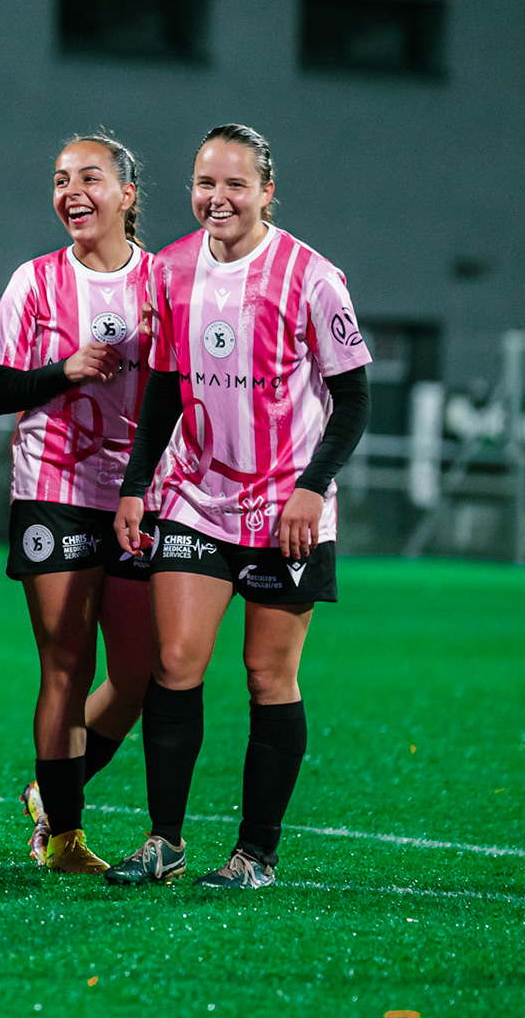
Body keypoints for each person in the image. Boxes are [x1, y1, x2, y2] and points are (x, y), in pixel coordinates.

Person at [108, 123, 371, 890]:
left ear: (266, 190)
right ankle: (164, 842)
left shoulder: (313, 277)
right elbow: (163, 386)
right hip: (195, 496)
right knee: (175, 662)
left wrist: (312, 490)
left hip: (287, 505)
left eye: (233, 184)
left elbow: (352, 401)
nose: (215, 198)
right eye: (204, 182)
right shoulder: (171, 270)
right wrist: (136, 485)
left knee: (267, 676)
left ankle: (256, 854)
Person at [0, 134, 157, 873]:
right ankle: (63, 840)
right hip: (52, 489)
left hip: (137, 495)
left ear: (127, 194)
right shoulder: (33, 281)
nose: (72, 191)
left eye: (90, 177)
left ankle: (48, 792)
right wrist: (66, 369)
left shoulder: (167, 283)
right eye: (60, 180)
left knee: (140, 673)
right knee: (66, 664)